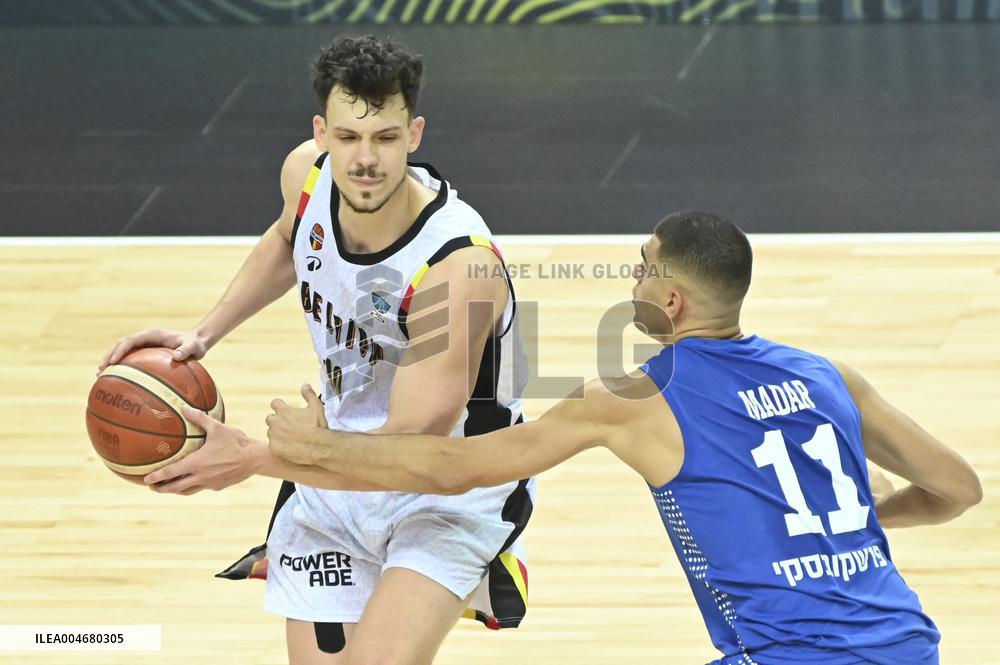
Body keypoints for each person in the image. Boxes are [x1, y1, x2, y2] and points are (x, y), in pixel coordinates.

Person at [264, 211, 983, 665]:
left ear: (671, 300)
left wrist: (318, 449)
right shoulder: (832, 377)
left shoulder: (636, 398)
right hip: (908, 642)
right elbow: (958, 489)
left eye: (642, 265)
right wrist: (854, 523)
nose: (631, 278)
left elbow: (459, 466)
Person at [98, 35, 533, 665]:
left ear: (414, 135)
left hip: (444, 488)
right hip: (331, 469)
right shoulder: (307, 174)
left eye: (384, 138)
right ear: (321, 132)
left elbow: (409, 455)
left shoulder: (455, 269)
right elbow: (287, 238)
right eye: (349, 137)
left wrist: (252, 458)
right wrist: (203, 333)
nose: (365, 159)